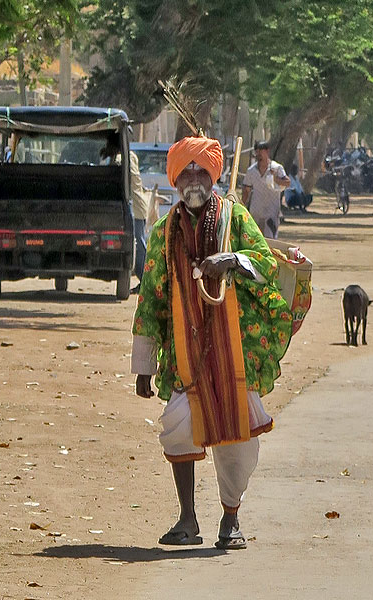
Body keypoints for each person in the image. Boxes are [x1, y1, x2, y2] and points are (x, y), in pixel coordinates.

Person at [131, 136, 294, 549]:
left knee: (239, 438)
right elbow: (151, 297)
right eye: (184, 172)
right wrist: (143, 366)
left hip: (235, 351)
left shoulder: (234, 218)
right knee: (177, 426)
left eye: (200, 171)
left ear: (213, 174)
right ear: (174, 178)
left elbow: (263, 260)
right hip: (184, 355)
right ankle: (187, 520)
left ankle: (231, 519)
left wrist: (231, 260)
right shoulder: (164, 232)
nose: (192, 179)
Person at [241, 140, 290, 239]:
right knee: (255, 240)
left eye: (261, 152)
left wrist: (275, 178)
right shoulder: (251, 171)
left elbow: (287, 182)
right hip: (256, 212)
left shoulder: (276, 168)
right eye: (257, 152)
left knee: (269, 240)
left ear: (267, 151)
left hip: (271, 212)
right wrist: (242, 206)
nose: (259, 155)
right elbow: (247, 190)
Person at [128, 150, 148, 293]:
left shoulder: (125, 156)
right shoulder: (130, 154)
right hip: (136, 207)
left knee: (139, 245)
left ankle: (145, 281)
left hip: (135, 208)